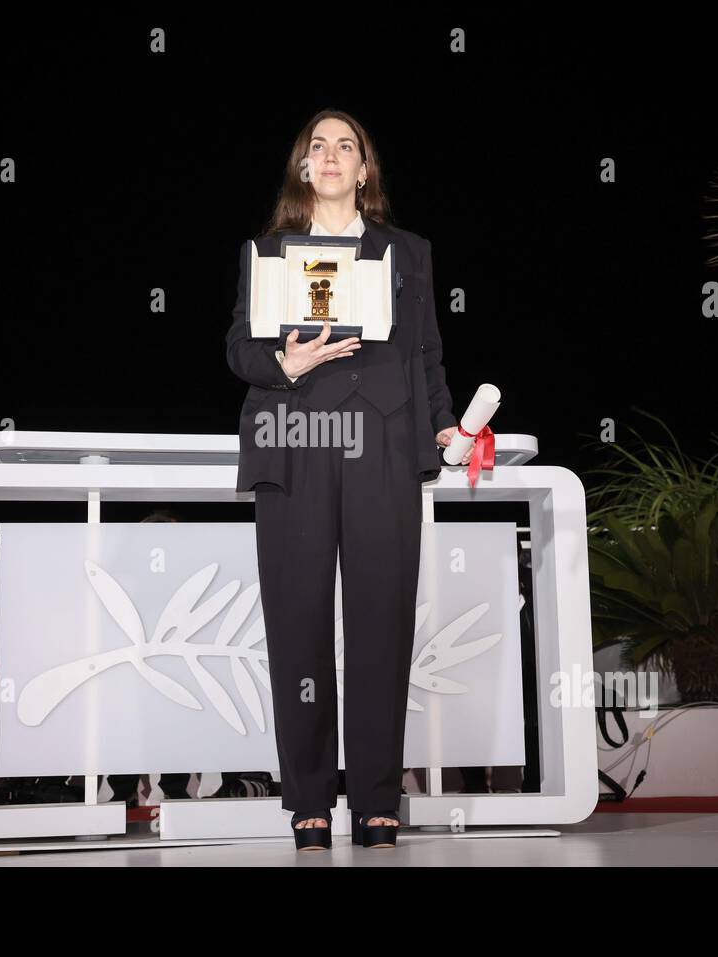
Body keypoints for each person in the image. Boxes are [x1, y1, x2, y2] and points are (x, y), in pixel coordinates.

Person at [224, 110, 472, 850]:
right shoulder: (266, 252)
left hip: (386, 444)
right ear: (304, 167)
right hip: (294, 438)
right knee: (297, 623)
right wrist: (284, 364)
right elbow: (238, 346)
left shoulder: (409, 252)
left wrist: (445, 425)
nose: (331, 156)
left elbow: (428, 354)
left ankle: (375, 798)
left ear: (365, 169)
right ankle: (305, 798)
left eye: (347, 146)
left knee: (381, 627)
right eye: (318, 146)